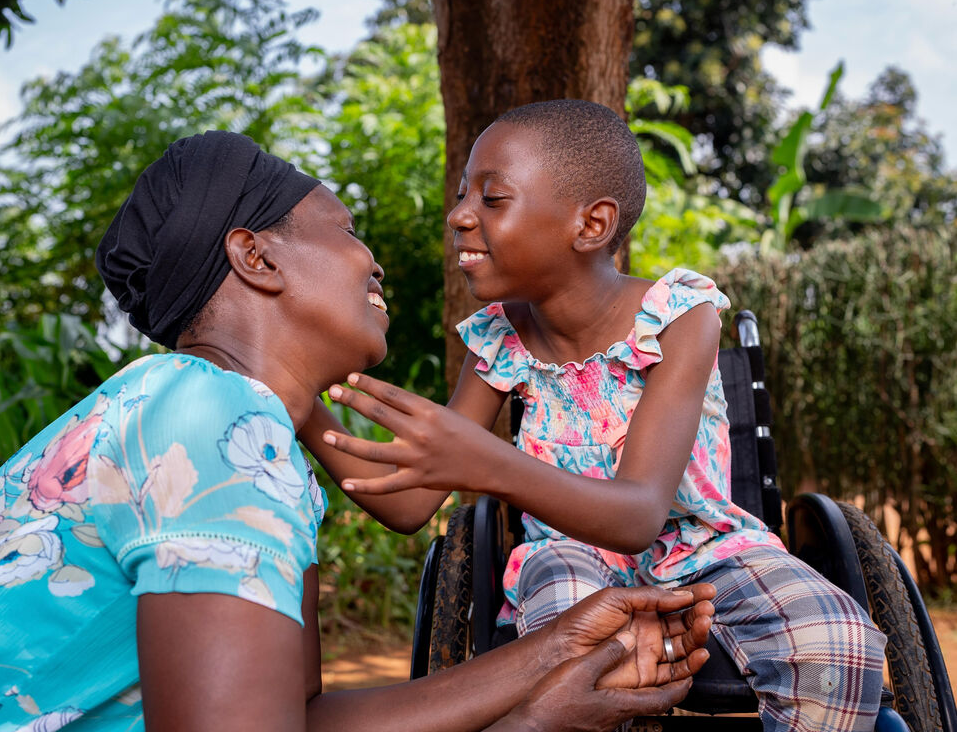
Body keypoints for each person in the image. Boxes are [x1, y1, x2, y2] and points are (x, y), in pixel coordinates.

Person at [0, 131, 715, 732]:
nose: (374, 255)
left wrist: (552, 652)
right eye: (344, 228)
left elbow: (294, 718)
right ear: (255, 256)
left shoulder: (228, 431)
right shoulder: (209, 418)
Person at [309, 100, 888, 732]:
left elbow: (639, 514)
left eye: (492, 199)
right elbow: (409, 508)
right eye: (461, 195)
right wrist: (299, 403)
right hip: (570, 554)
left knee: (841, 644)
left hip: (706, 551)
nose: (459, 215)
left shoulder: (679, 318)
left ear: (591, 224)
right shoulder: (500, 341)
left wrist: (488, 461)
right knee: (570, 637)